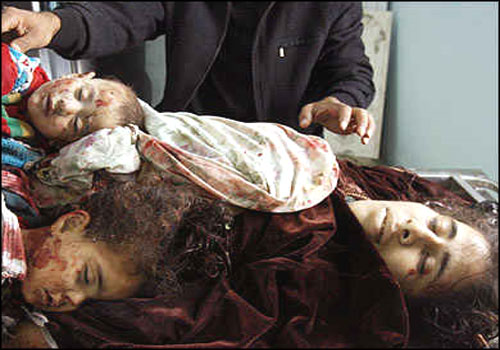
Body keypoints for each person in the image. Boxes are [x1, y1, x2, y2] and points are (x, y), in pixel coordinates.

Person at [3, 162, 498, 348]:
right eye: (437, 226)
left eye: (430, 262)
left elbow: (194, 320)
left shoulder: (303, 297)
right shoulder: (321, 169)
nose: (417, 235)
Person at [1, 2, 376, 144]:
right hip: (183, 136)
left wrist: (341, 101)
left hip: (272, 151)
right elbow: (125, 15)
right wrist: (53, 24)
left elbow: (352, 71)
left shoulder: (334, 5)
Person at [2, 42, 145, 146]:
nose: (67, 106)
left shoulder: (30, 153)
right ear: (77, 76)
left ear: (60, 143)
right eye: (80, 94)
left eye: (76, 124)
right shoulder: (19, 72)